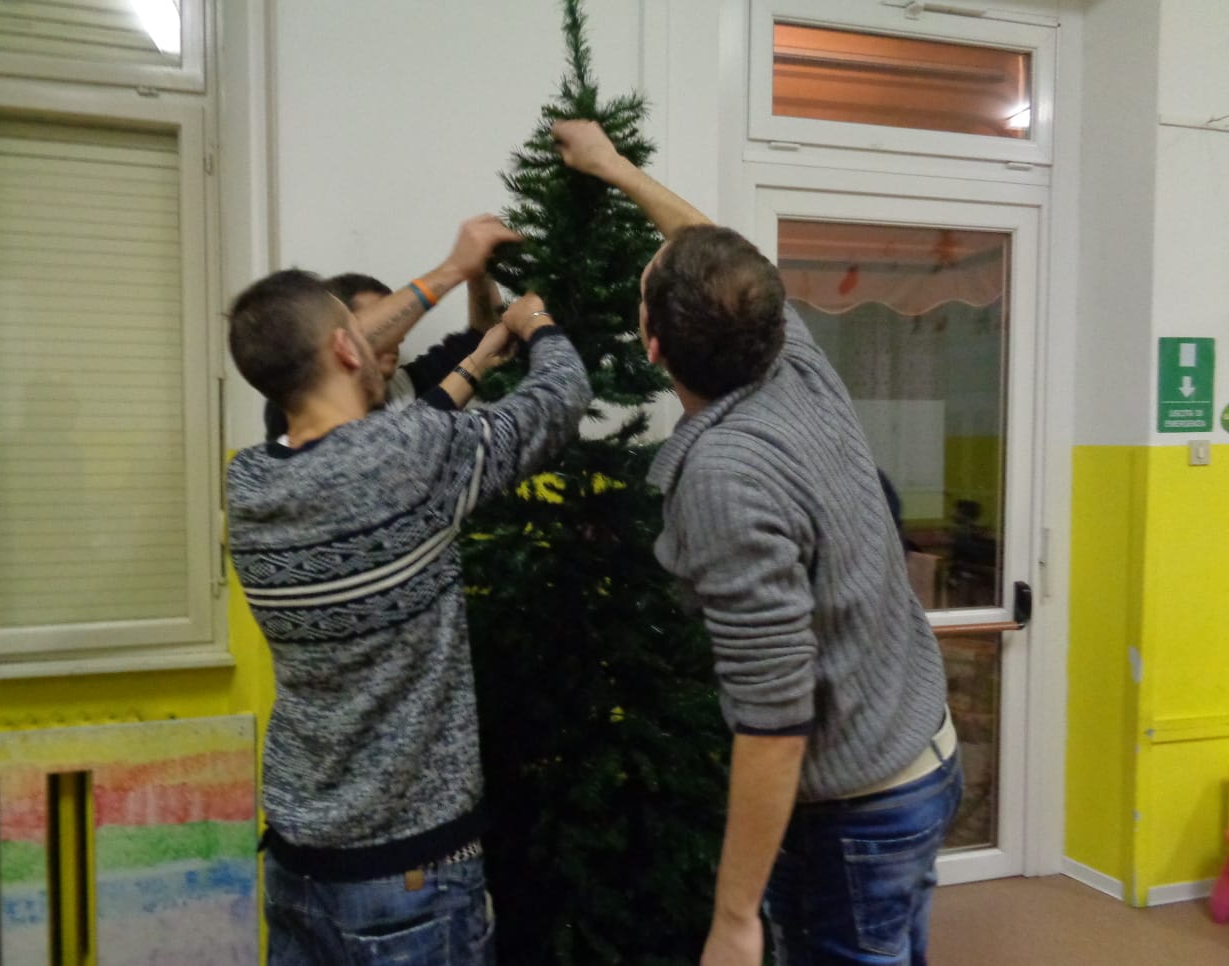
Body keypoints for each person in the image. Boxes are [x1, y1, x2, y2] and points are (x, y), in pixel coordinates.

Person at [554, 120, 960, 966]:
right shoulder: (793, 363)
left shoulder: (725, 476)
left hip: (858, 813)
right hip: (921, 760)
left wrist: (734, 918)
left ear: (653, 344)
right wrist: (618, 170)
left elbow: (776, 716)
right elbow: (721, 256)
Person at [225, 213, 592, 965]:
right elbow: (561, 397)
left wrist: (467, 306)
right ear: (342, 346)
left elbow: (366, 410)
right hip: (411, 871)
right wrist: (536, 323)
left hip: (299, 860)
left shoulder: (250, 483)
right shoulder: (408, 455)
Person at [265, 271, 503, 441]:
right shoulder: (294, 406)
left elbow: (483, 337)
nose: (398, 338)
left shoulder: (404, 385)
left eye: (400, 326)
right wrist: (456, 266)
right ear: (338, 337)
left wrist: (478, 273)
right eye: (389, 325)